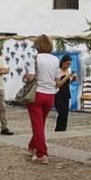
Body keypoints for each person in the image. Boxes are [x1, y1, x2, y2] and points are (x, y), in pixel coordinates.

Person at [24, 34, 59, 164]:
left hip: (37, 94)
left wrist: (26, 77)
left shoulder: (35, 58)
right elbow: (57, 80)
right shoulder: (55, 59)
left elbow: (31, 77)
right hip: (50, 95)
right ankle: (32, 146)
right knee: (41, 123)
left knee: (37, 124)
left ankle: (41, 154)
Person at [53, 55, 75, 132]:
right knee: (61, 113)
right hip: (59, 94)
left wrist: (73, 79)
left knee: (66, 113)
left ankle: (63, 130)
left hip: (66, 93)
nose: (68, 66)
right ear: (62, 62)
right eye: (67, 64)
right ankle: (58, 129)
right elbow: (58, 84)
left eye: (69, 64)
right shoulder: (58, 71)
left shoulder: (68, 70)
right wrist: (66, 77)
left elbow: (69, 82)